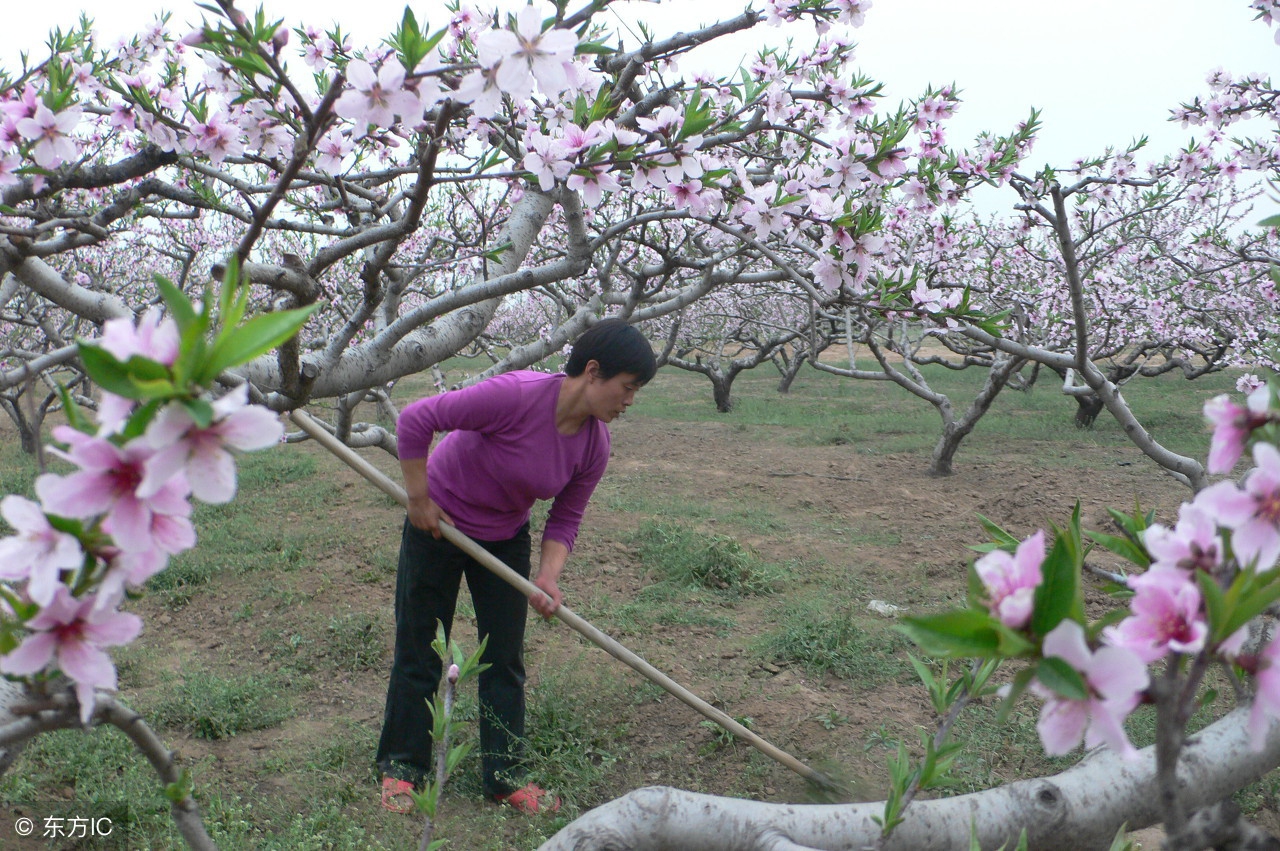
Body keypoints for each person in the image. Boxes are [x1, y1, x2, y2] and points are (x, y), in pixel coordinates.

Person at [376, 319, 657, 815]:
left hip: (505, 536)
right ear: (593, 372)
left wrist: (547, 577)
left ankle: (505, 777)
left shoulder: (594, 445)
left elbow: (566, 517)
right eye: (627, 387)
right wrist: (418, 500)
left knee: (503, 657)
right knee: (421, 643)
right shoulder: (515, 395)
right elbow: (417, 420)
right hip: (438, 521)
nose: (629, 401)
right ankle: (402, 767)